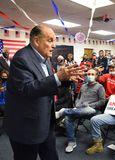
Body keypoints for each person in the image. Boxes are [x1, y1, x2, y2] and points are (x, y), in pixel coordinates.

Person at [4, 25, 81, 160]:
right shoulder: (21, 58)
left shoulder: (46, 59)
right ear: (36, 40)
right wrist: (57, 77)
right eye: (50, 40)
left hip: (46, 122)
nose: (54, 45)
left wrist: (65, 80)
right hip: (26, 127)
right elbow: (27, 89)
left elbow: (45, 85)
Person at [55, 68, 106, 153]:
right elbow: (78, 98)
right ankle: (71, 142)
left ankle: (64, 111)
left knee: (87, 110)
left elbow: (102, 101)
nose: (90, 76)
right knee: (68, 118)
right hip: (79, 109)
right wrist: (77, 104)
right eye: (88, 74)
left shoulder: (100, 87)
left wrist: (90, 105)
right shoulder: (83, 86)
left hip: (92, 110)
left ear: (97, 76)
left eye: (92, 74)